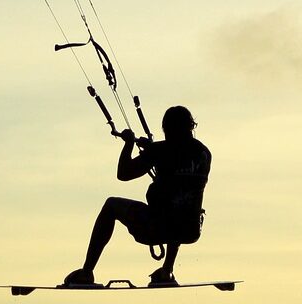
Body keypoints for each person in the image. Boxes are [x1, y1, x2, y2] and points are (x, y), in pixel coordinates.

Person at [63, 106, 211, 287]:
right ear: (190, 127)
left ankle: (87, 272)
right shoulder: (204, 153)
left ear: (168, 128)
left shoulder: (161, 151)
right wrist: (153, 152)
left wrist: (129, 145)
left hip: (156, 226)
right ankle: (167, 270)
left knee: (111, 205)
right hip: (190, 229)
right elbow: (179, 174)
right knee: (180, 207)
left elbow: (124, 174)